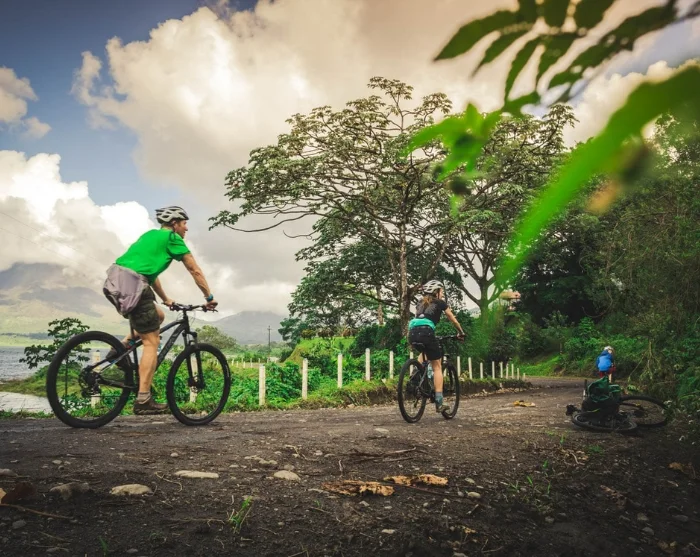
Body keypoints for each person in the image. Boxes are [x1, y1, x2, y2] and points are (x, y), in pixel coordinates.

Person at [103, 206, 218, 414]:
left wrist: (165, 299)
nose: (186, 228)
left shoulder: (150, 235)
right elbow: (195, 270)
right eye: (184, 224)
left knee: (158, 315)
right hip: (135, 284)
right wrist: (209, 298)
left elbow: (149, 273)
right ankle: (143, 399)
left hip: (114, 281)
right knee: (151, 342)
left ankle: (120, 348)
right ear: (174, 224)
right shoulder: (173, 239)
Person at [407, 280, 465, 413]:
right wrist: (461, 332)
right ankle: (439, 402)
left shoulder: (420, 303)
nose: (442, 294)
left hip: (412, 333)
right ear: (436, 292)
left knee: (424, 352)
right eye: (441, 291)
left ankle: (414, 377)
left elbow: (420, 319)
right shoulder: (440, 302)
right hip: (427, 333)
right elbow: (452, 318)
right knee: (437, 366)